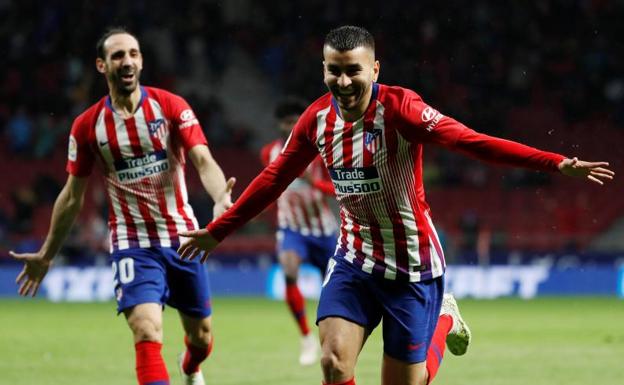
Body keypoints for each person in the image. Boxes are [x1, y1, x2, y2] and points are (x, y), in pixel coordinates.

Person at [177, 26, 615, 385]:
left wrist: (555, 163)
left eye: (353, 71)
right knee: (333, 364)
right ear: (324, 70)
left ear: (375, 69)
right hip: (354, 261)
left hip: (412, 267)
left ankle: (443, 320)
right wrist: (219, 230)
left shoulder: (403, 110)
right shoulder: (316, 119)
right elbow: (274, 179)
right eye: (334, 72)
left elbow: (473, 143)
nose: (343, 83)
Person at [10, 27, 235, 385]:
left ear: (142, 61)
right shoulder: (88, 126)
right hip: (132, 243)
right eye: (117, 55)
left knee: (201, 338)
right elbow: (71, 196)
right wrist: (47, 254)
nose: (127, 61)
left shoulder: (171, 106)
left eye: (133, 53)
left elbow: (203, 161)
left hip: (183, 239)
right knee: (146, 330)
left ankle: (190, 366)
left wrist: (221, 198)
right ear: (102, 65)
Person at [260, 98, 338, 365]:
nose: (291, 125)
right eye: (286, 121)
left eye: (295, 120)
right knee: (289, 272)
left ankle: (331, 338)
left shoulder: (319, 152)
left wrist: (313, 182)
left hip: (323, 231)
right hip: (291, 229)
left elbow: (338, 190)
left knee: (334, 288)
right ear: (280, 125)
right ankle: (306, 337)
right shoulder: (269, 153)